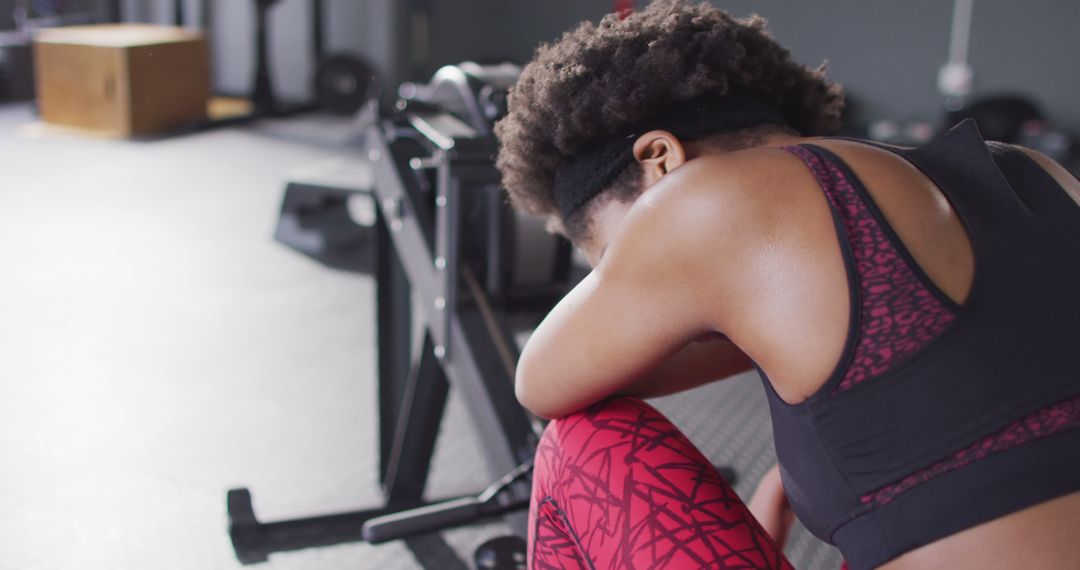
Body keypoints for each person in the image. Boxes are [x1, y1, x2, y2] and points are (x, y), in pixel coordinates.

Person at [492, 1, 1080, 568]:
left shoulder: (704, 199)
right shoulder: (1034, 169)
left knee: (581, 444)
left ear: (662, 161)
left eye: (611, 261)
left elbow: (540, 384)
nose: (621, 282)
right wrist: (800, 476)